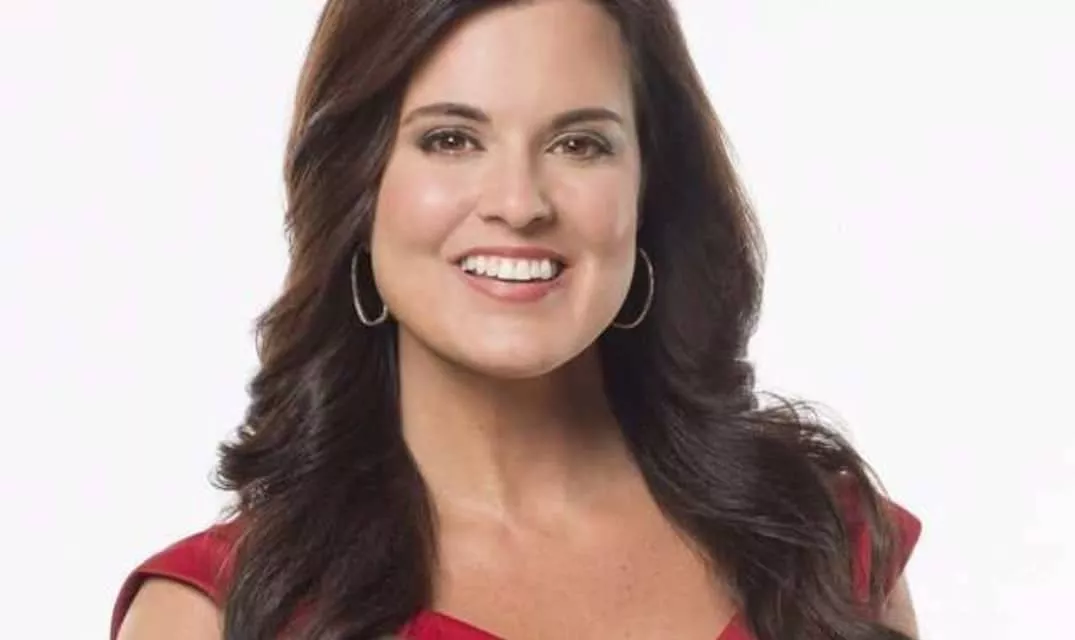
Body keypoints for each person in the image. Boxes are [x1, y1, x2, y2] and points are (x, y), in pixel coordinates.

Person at [111, 1, 922, 638]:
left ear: (648, 188)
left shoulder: (817, 548)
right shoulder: (214, 617)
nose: (519, 203)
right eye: (450, 139)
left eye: (579, 144)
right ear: (357, 185)